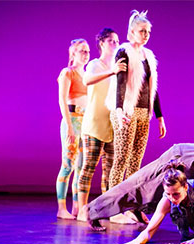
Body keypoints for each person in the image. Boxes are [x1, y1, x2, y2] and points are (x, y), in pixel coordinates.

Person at [105, 10, 166, 192]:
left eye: (148, 31)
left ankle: (129, 205)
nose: (146, 35)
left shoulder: (148, 56)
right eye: (142, 31)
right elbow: (120, 83)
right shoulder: (124, 52)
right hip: (125, 111)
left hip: (142, 113)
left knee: (135, 160)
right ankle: (113, 204)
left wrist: (159, 117)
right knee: (121, 158)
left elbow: (152, 88)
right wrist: (118, 110)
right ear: (132, 32)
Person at [76, 28, 127, 221]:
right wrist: (111, 72)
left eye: (117, 40)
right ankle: (82, 210)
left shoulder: (118, 66)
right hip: (94, 124)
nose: (115, 43)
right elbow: (87, 80)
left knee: (110, 170)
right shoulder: (95, 65)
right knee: (89, 167)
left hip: (111, 125)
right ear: (102, 43)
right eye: (111, 41)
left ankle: (109, 210)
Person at [56, 39, 90, 219]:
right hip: (72, 121)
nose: (85, 54)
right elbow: (62, 100)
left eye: (87, 51)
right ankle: (62, 208)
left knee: (81, 166)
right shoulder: (67, 73)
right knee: (68, 164)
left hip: (86, 123)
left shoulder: (88, 75)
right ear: (73, 54)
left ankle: (77, 206)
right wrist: (69, 126)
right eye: (82, 51)